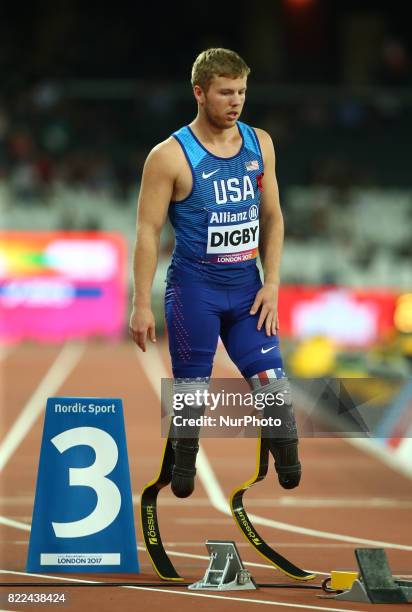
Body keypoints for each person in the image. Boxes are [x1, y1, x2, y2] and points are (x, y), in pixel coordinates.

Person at [129, 48, 301, 498]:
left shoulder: (260, 143)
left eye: (242, 91)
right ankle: (182, 465)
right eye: (226, 92)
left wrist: (273, 283)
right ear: (199, 93)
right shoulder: (168, 156)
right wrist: (139, 303)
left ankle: (286, 455)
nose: (236, 101)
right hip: (194, 291)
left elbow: (273, 218)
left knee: (273, 390)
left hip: (247, 289)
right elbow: (147, 231)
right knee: (191, 398)